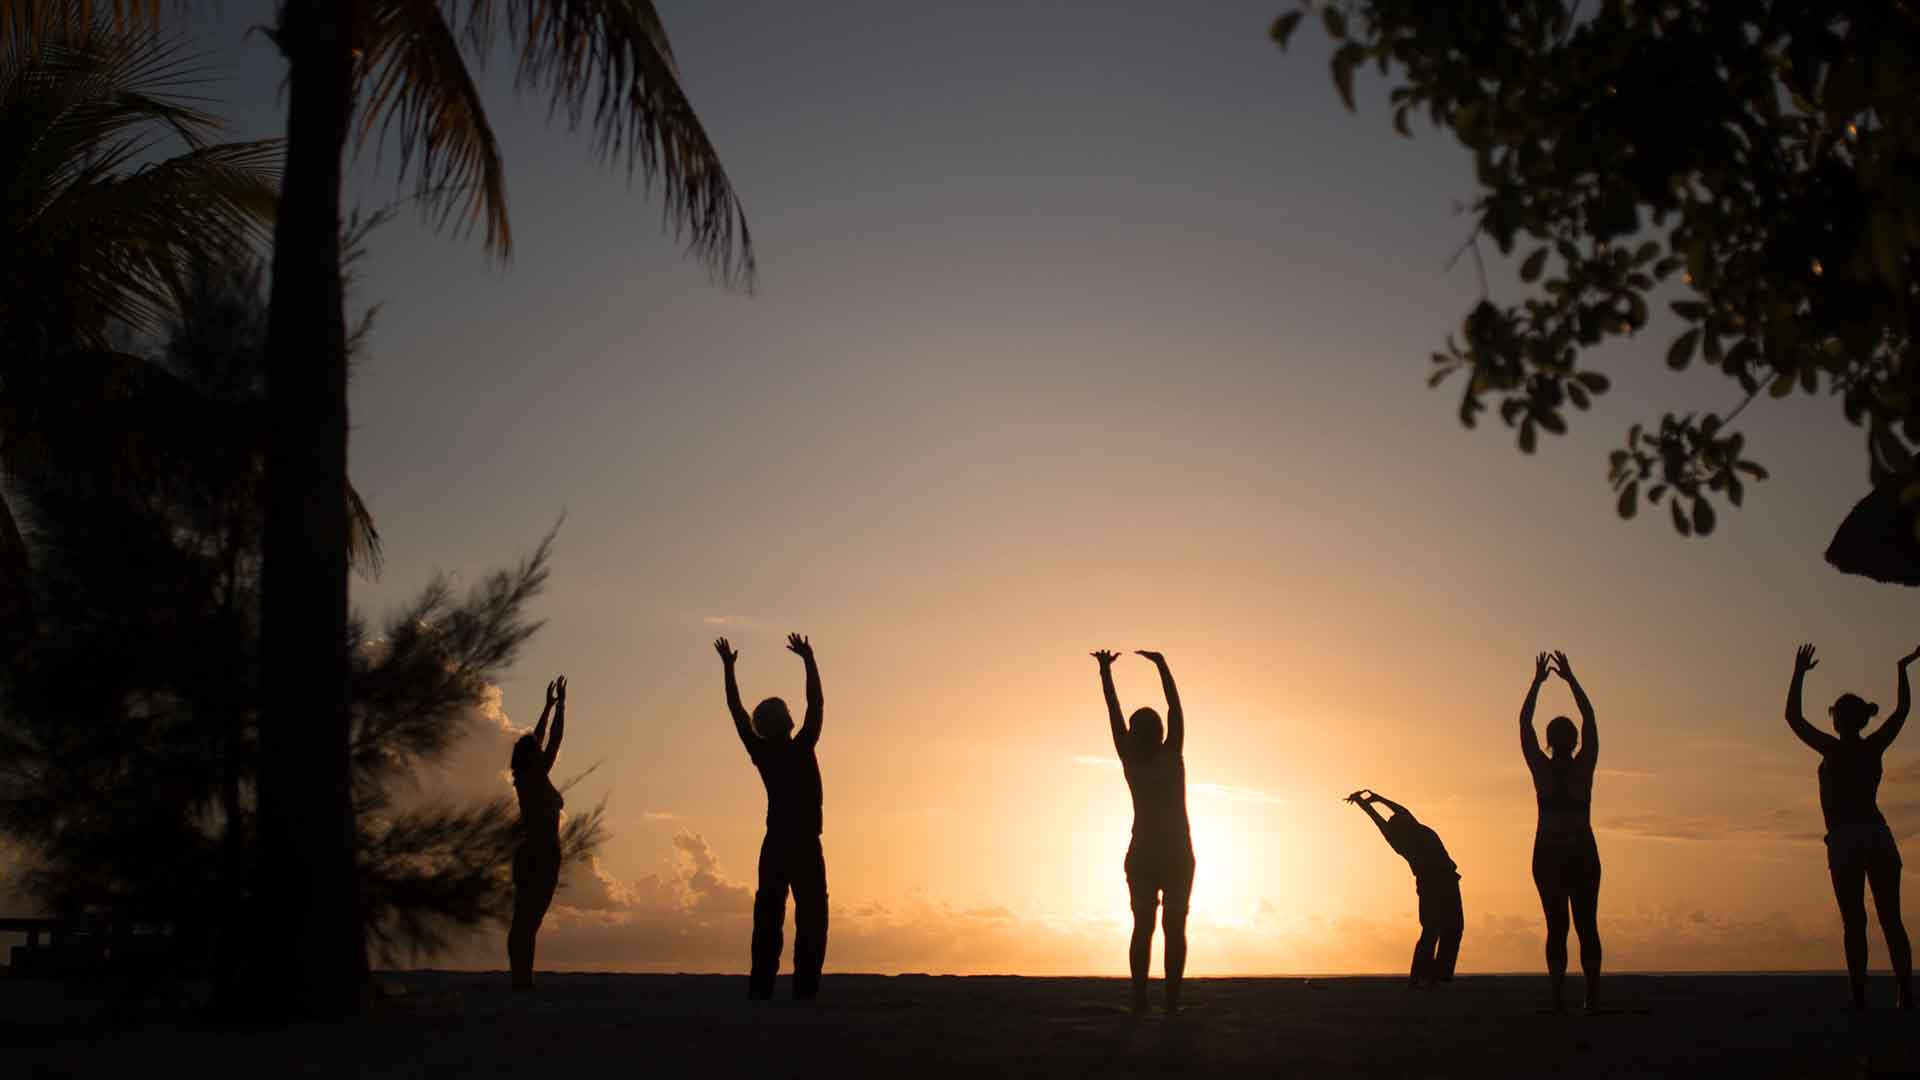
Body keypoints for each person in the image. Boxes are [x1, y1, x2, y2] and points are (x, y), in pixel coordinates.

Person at [1785, 642, 1916, 1010]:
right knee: (1891, 920)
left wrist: (1798, 674)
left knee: (1854, 922)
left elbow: (1793, 719)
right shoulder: (1873, 747)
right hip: (1877, 835)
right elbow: (1902, 711)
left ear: (1838, 721)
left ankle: (1860, 996)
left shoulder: (1833, 749)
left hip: (1846, 839)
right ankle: (1905, 994)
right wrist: (1902, 668)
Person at [716, 634, 827, 1000]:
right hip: (801, 845)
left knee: (769, 920)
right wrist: (808, 661)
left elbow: (737, 712)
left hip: (778, 844)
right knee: (808, 918)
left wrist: (729, 669)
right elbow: (816, 704)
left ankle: (763, 989)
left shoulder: (765, 753)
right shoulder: (801, 745)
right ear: (788, 722)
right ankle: (803, 990)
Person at [1095, 648, 1194, 1014]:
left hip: (1157, 856)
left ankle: (1146, 1000)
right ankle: (1164, 1002)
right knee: (1169, 928)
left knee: (1148, 927)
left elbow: (1114, 711)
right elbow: (1175, 709)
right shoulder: (1168, 754)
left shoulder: (1135, 757)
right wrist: (1162, 666)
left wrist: (1106, 672)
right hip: (1170, 856)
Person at [1519, 650, 1601, 1011]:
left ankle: (1559, 997)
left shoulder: (1542, 768)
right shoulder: (1583, 766)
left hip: (1553, 854)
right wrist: (1571, 680)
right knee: (1584, 926)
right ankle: (1590, 997)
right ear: (1572, 741)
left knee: (1560, 928)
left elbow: (1524, 723)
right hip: (1577, 853)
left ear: (1551, 742)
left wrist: (1538, 682)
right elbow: (1590, 717)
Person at [1344, 790, 1463, 987]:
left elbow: (1399, 810)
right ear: (1401, 826)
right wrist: (1367, 803)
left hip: (1448, 880)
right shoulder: (1400, 839)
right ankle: (1420, 977)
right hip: (1431, 883)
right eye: (1399, 818)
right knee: (1433, 929)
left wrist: (1377, 799)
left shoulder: (1411, 829)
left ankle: (1436, 976)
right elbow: (1378, 819)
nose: (1401, 816)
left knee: (1452, 928)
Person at [508, 675, 567, 991]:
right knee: (527, 923)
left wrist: (548, 706)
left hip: (537, 853)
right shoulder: (533, 777)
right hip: (540, 855)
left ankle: (521, 980)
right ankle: (521, 982)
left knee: (525, 922)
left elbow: (541, 739)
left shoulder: (527, 776)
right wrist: (561, 709)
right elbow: (553, 740)